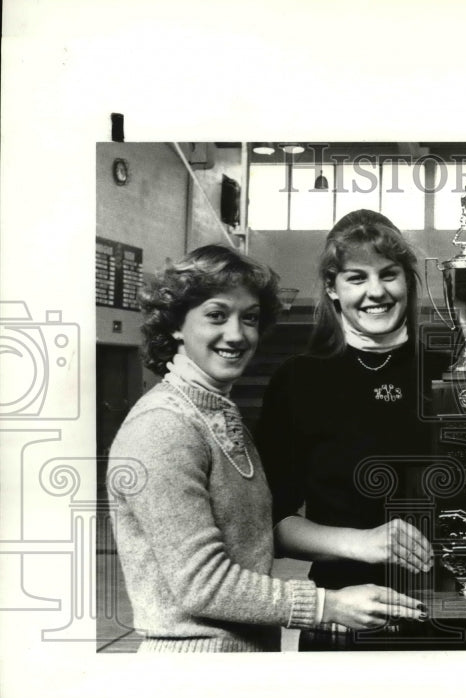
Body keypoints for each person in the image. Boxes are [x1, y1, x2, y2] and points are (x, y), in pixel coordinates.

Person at [108, 245, 426, 653]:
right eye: (217, 316)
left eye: (250, 318)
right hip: (192, 667)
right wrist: (327, 605)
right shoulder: (163, 426)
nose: (237, 334)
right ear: (174, 325)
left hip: (243, 658)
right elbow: (201, 585)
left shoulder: (219, 417)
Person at [255, 210, 466, 650]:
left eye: (389, 274)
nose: (376, 292)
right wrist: (363, 543)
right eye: (356, 278)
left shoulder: (453, 373)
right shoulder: (298, 380)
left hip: (439, 615)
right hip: (343, 610)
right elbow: (272, 524)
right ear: (332, 288)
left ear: (407, 281)